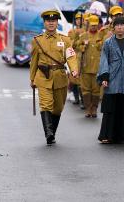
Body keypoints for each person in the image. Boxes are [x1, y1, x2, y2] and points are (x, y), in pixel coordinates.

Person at [30, 9, 79, 145]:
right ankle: (48, 133)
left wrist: (74, 70)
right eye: (48, 21)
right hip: (43, 77)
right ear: (44, 23)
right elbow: (33, 61)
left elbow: (71, 57)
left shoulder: (65, 40)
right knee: (45, 105)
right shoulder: (37, 41)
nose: (51, 23)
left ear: (57, 22)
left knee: (57, 108)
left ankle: (52, 132)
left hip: (60, 77)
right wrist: (32, 79)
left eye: (53, 21)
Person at [97, 16, 124, 144]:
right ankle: (107, 135)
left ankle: (123, 136)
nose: (120, 27)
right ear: (113, 27)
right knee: (110, 109)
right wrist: (104, 76)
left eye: (122, 25)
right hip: (112, 79)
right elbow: (104, 60)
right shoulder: (108, 43)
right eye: (117, 25)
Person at [78, 14, 103, 118]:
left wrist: (99, 43)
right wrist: (84, 46)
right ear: (88, 25)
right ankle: (88, 108)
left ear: (98, 25)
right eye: (92, 25)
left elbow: (104, 47)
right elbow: (76, 45)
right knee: (85, 89)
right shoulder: (83, 35)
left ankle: (95, 108)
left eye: (95, 25)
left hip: (97, 67)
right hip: (86, 66)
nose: (93, 27)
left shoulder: (101, 35)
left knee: (96, 90)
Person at [68, 12, 85, 108]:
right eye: (77, 19)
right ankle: (76, 98)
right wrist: (77, 37)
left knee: (81, 81)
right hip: (74, 57)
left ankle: (83, 101)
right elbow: (70, 45)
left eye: (81, 19)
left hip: (83, 57)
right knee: (73, 79)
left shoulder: (85, 31)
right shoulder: (72, 31)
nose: (79, 21)